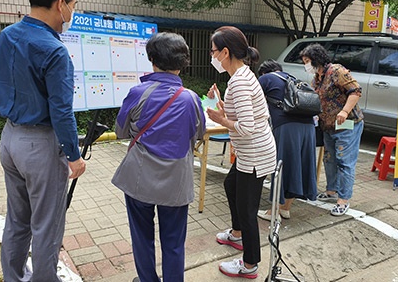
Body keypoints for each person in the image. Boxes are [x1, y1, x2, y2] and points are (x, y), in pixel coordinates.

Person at [0, 0, 86, 280]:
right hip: (41, 144)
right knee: (46, 225)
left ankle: (14, 277)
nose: (72, 12)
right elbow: (61, 111)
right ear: (61, 5)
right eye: (73, 5)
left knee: (18, 219)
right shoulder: (54, 50)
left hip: (10, 139)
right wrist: (74, 156)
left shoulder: (6, 35)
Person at [111, 32, 206, 282]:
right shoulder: (192, 99)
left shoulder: (138, 92)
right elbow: (198, 135)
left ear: (151, 58)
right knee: (174, 241)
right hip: (177, 182)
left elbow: (120, 131)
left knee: (142, 237)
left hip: (139, 179)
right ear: (183, 61)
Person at [206, 26, 277, 279]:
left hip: (254, 154)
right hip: (252, 151)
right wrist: (222, 106)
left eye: (214, 51)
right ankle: (236, 235)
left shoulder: (239, 82)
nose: (212, 55)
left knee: (248, 210)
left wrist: (218, 118)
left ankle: (250, 264)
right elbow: (245, 115)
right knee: (230, 184)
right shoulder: (241, 76)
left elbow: (245, 127)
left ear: (225, 52)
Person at [299, 43, 364, 217]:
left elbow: (355, 91)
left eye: (307, 61)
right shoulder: (317, 78)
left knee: (344, 161)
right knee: (330, 159)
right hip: (328, 126)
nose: (306, 65)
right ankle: (332, 191)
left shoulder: (337, 71)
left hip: (348, 123)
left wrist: (344, 111)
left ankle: (343, 199)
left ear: (316, 59)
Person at [256, 59, 317, 221]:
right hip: (309, 127)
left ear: (263, 72)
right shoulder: (293, 79)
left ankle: (273, 213)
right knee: (297, 166)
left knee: (282, 167)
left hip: (287, 127)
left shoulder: (266, 78)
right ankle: (285, 208)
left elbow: (253, 103)